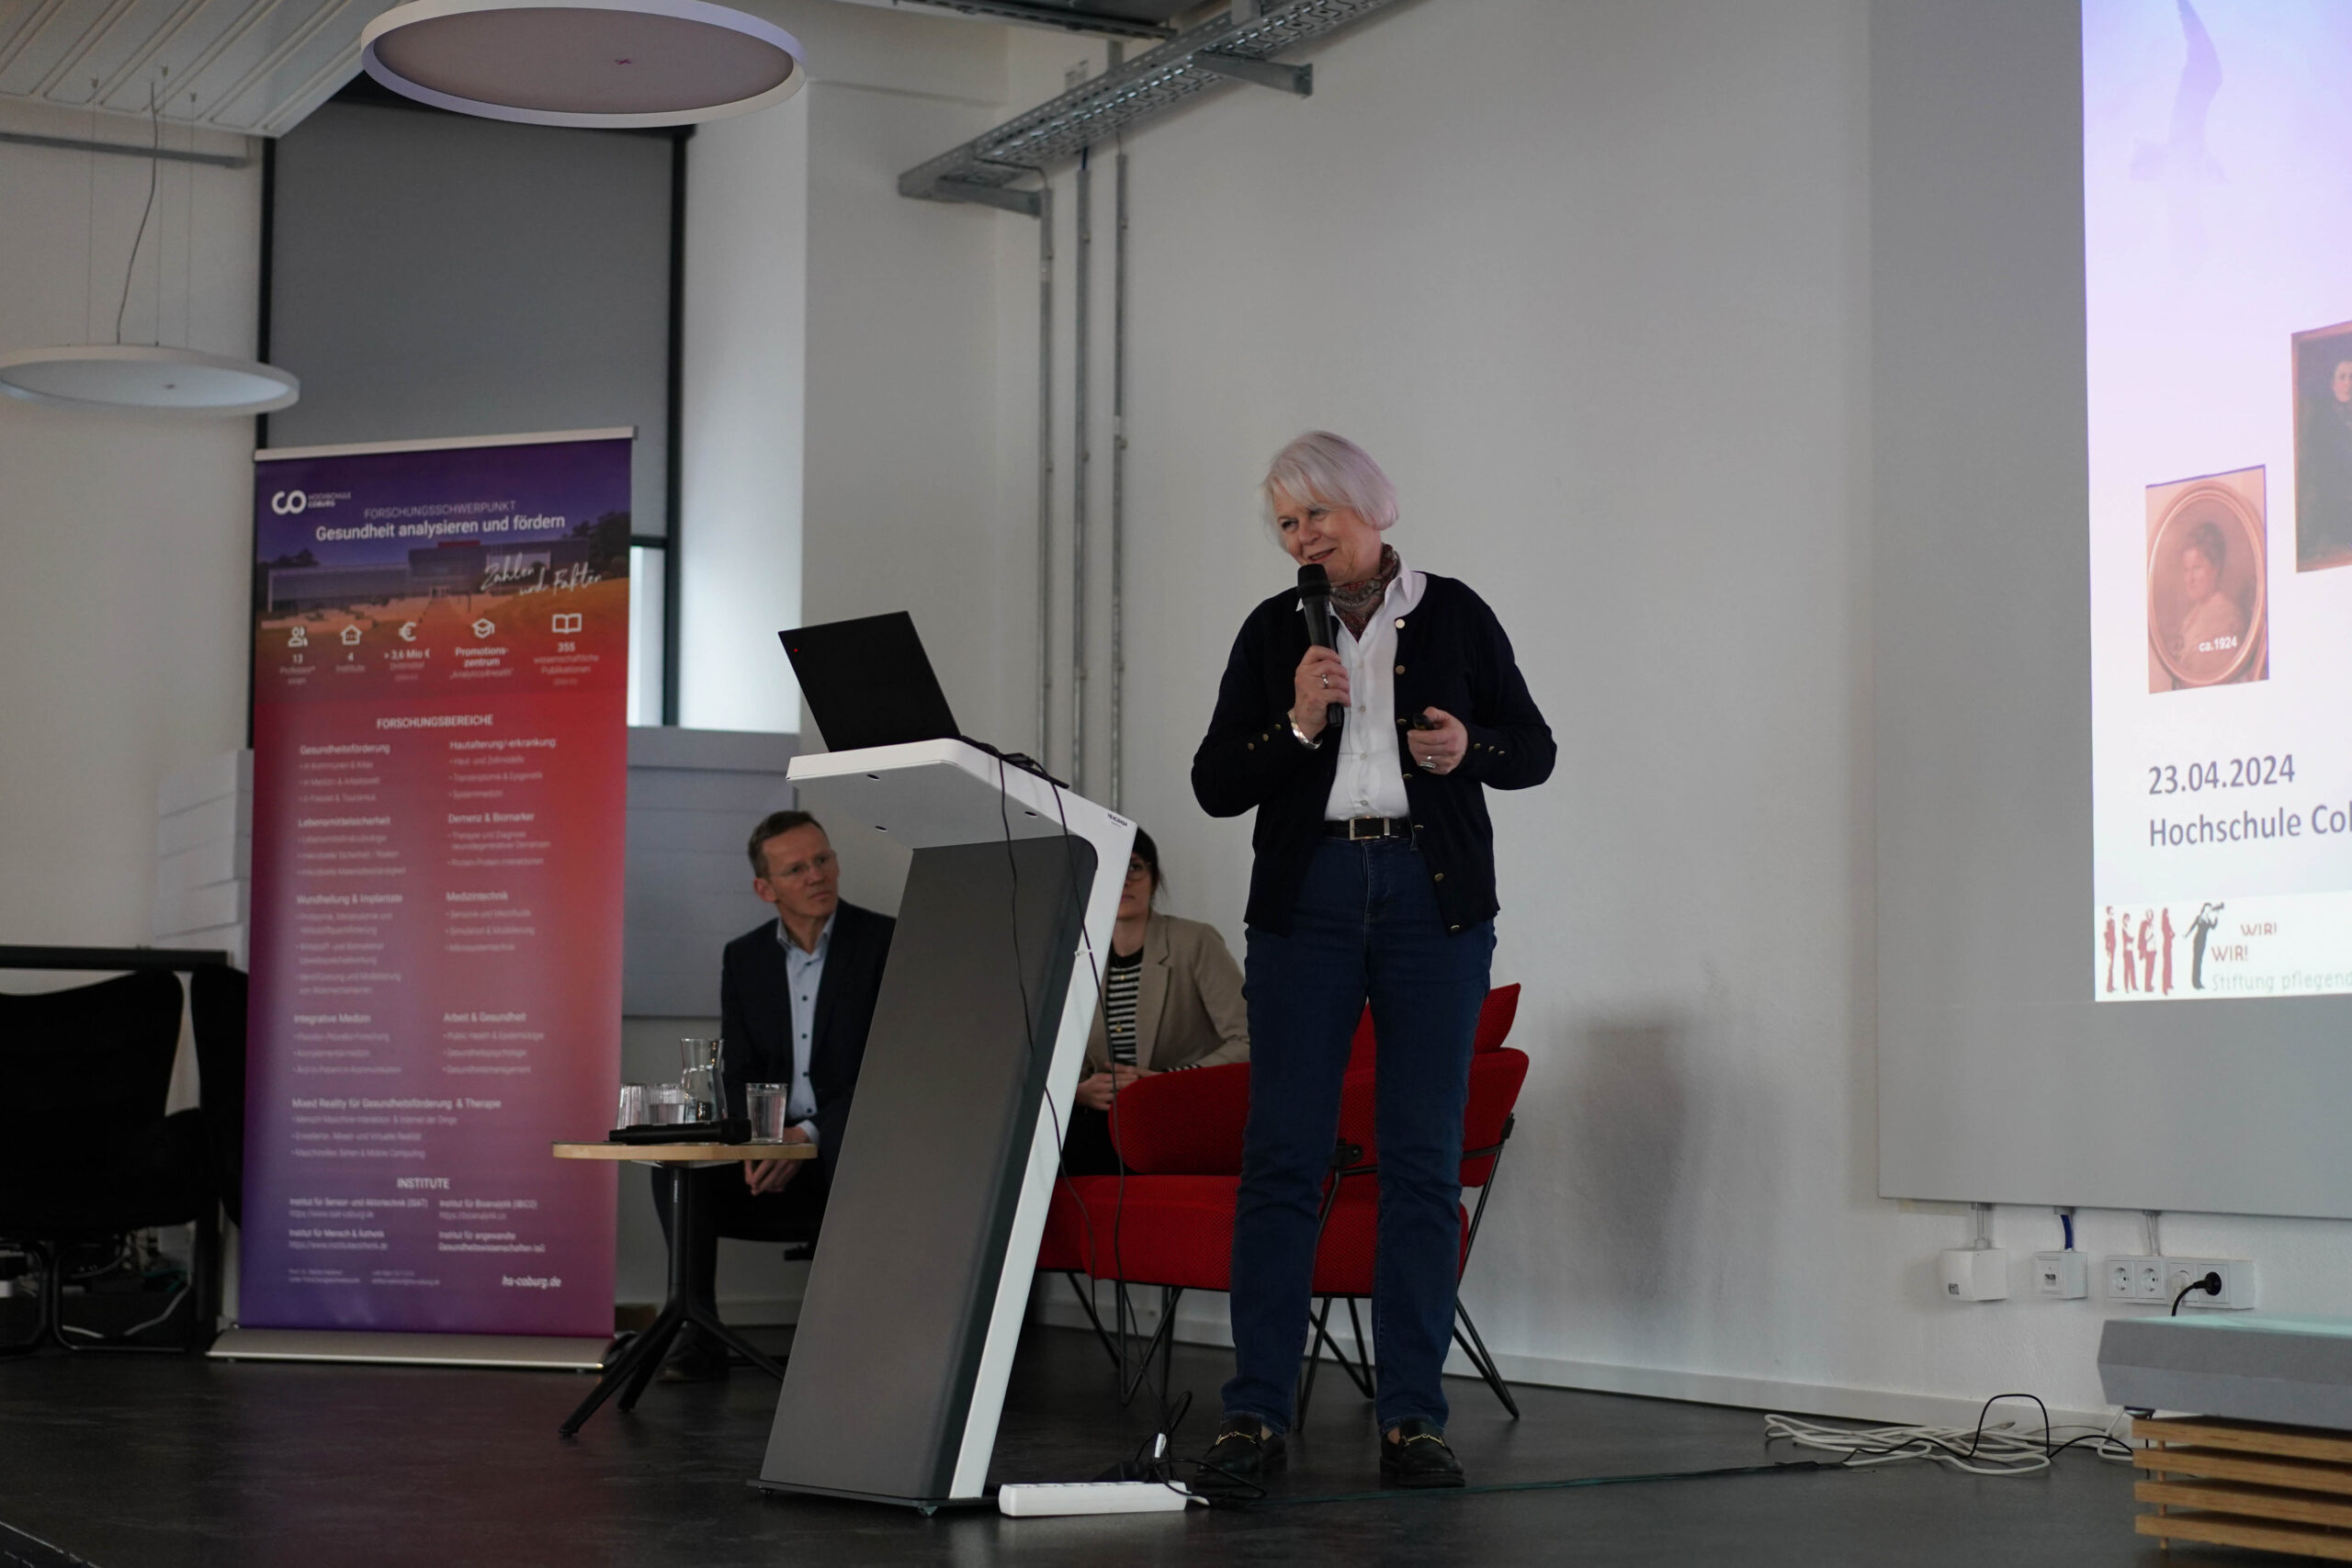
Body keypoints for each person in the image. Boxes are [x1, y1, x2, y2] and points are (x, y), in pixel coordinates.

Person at [1189, 432, 1555, 1490]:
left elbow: (1530, 749)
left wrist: (1463, 752)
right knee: (1282, 1159)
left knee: (1420, 1160)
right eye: (1287, 524)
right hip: (1308, 898)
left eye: (1318, 517)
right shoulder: (1273, 633)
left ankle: (1411, 1417)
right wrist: (1298, 726)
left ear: (1371, 509)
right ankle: (1254, 1413)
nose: (1303, 538)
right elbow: (1217, 781)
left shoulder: (1457, 615)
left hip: (1427, 903)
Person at [652, 809, 894, 1381]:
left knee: (841, 1145)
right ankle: (696, 1331)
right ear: (766, 889)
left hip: (852, 1146)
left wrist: (804, 1136)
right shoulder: (744, 957)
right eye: (796, 869)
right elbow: (739, 1068)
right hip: (777, 1144)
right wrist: (767, 1140)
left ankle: (853, 1331)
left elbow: (891, 1068)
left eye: (823, 859)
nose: (817, 875)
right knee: (674, 1169)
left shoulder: (887, 941)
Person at [1060, 826, 1250, 1177]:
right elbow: (1044, 1054)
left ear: (1154, 876)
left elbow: (1248, 1039)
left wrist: (1165, 1081)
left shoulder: (1195, 941)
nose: (1123, 879)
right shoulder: (1073, 953)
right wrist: (1078, 1092)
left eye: (1133, 866)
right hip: (1099, 1117)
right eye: (1110, 868)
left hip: (1177, 1111)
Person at [2168, 520, 2246, 685]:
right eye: (2186, 570)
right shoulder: (2191, 617)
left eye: (2197, 568)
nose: (2189, 579)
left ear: (2215, 568)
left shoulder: (2227, 617)